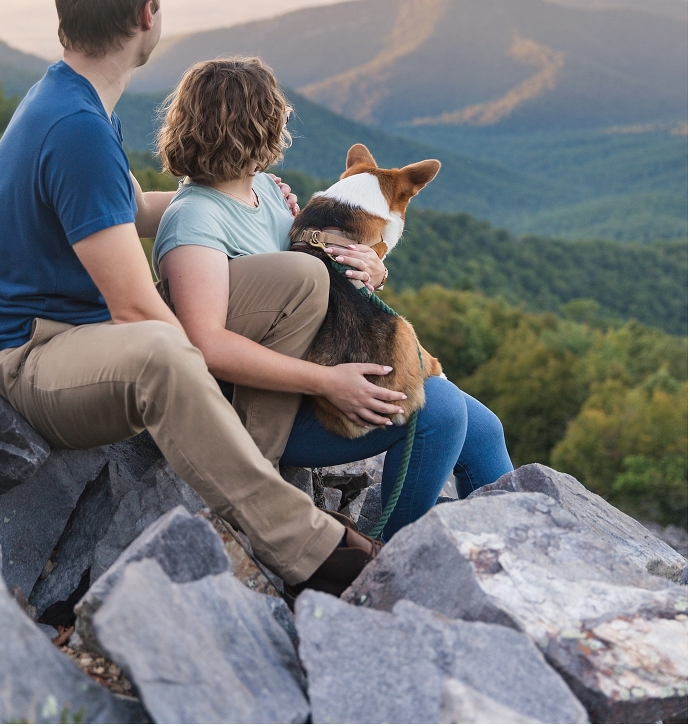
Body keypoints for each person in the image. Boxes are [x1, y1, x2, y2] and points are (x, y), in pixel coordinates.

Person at [0, 0, 380, 600]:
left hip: (78, 332)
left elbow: (125, 206)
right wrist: (227, 361)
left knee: (300, 279)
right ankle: (303, 546)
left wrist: (239, 197)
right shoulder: (75, 127)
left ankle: (246, 480)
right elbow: (137, 314)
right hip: (30, 351)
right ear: (147, 14)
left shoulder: (76, 101)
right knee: (167, 351)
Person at [154, 57, 513, 540]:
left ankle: (523, 556)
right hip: (267, 411)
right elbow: (206, 345)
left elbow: (323, 279)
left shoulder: (264, 192)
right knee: (443, 412)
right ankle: (385, 568)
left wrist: (374, 268)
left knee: (484, 427)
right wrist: (327, 382)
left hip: (313, 373)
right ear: (258, 129)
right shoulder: (196, 220)